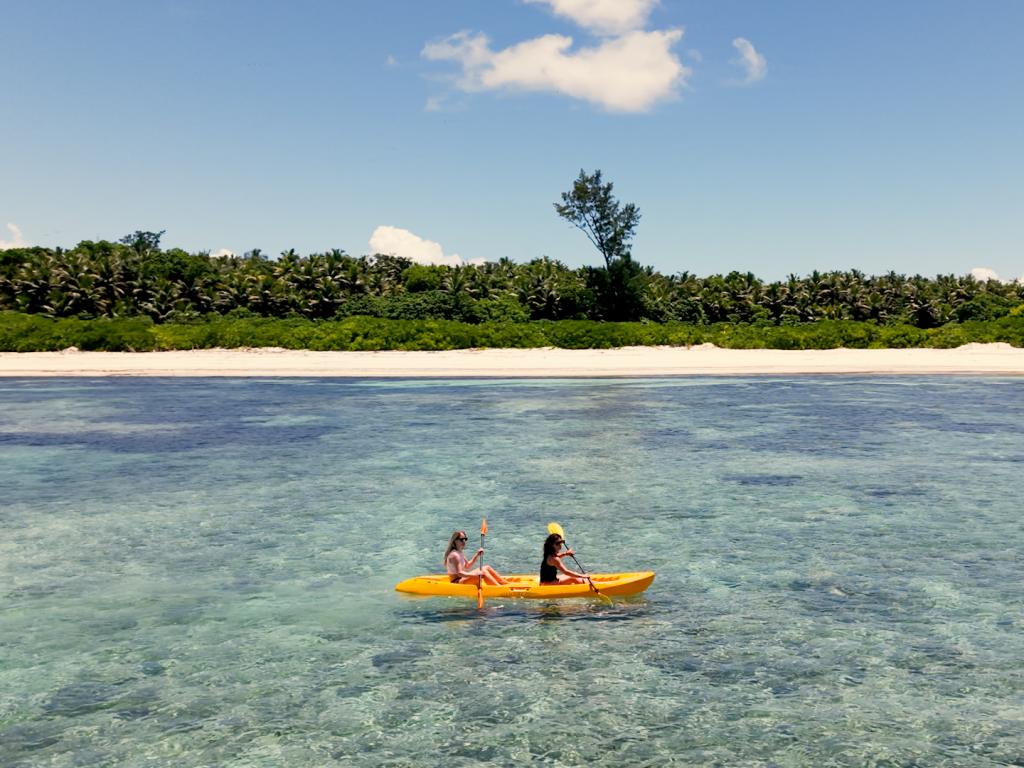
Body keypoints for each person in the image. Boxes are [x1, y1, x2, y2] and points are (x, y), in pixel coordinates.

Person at [444, 530, 509, 585]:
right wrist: (475, 574)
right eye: (461, 540)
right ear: (455, 541)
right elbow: (460, 573)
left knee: (486, 567)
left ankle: (504, 583)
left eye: (465, 539)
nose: (464, 541)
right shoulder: (454, 555)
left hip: (462, 579)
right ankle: (498, 588)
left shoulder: (459, 552)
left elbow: (467, 566)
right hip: (457, 582)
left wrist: (477, 554)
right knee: (482, 572)